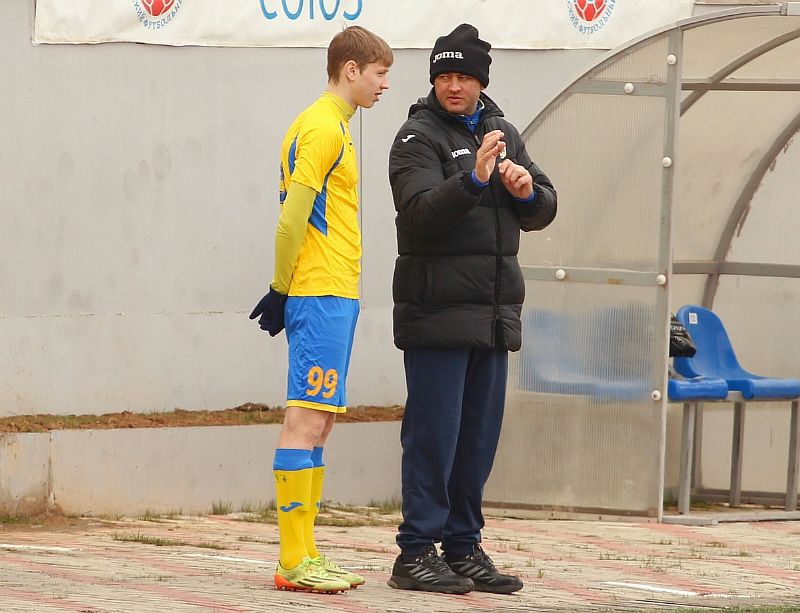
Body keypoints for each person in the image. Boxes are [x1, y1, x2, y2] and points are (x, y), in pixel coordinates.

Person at [386, 23, 557, 595]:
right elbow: (418, 215)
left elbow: (544, 204)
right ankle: (415, 552)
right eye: (445, 76)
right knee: (433, 437)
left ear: (481, 81)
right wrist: (476, 179)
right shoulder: (416, 138)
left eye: (463, 76)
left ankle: (462, 547)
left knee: (478, 439)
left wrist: (525, 190)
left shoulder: (502, 130)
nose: (453, 86)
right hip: (437, 313)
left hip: (492, 314)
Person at [249, 26, 392, 594]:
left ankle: (307, 551)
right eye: (379, 73)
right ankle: (292, 560)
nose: (383, 84)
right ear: (350, 70)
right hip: (319, 289)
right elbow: (292, 218)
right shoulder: (322, 128)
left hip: (335, 290)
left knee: (322, 419)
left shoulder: (334, 125)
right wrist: (281, 288)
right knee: (305, 419)